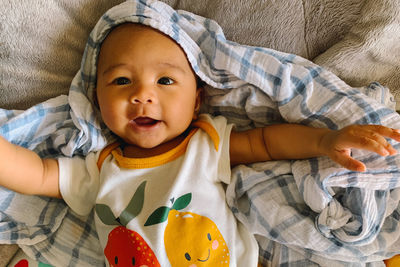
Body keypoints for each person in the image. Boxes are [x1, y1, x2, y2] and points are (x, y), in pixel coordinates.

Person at [1, 23, 400, 266]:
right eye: (121, 81)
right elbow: (36, 174)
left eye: (165, 81)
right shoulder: (99, 167)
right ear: (96, 99)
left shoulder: (204, 144)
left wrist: (324, 139)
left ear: (196, 101)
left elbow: (267, 143)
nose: (142, 95)